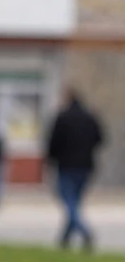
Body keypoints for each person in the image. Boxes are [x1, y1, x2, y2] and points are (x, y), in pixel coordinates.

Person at [46, 89, 104, 252]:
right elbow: (100, 139)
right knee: (74, 202)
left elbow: (53, 143)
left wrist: (51, 160)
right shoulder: (90, 117)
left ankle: (84, 231)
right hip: (86, 165)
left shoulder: (62, 118)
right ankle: (65, 239)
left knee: (68, 201)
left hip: (67, 165)